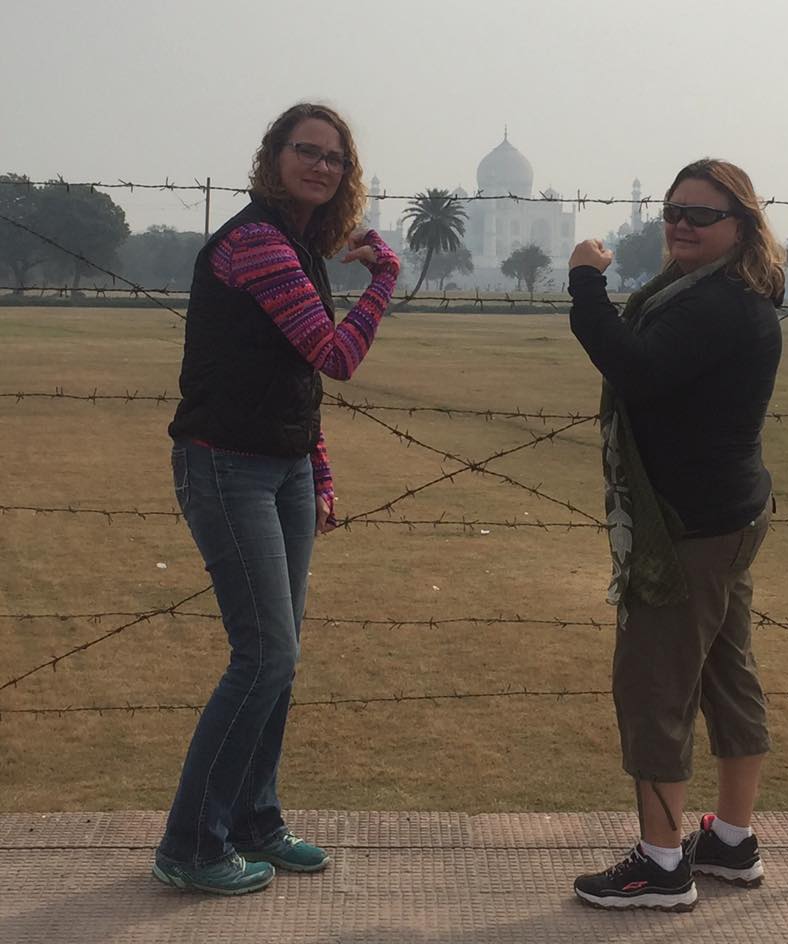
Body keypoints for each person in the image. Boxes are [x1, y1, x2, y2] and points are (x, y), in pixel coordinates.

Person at [153, 103, 399, 896]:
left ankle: (254, 820)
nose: (321, 166)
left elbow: (293, 377)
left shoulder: (298, 246)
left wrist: (318, 469)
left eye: (335, 157)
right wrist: (384, 279)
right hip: (228, 466)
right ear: (275, 156)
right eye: (307, 150)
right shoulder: (258, 242)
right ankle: (191, 845)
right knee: (264, 657)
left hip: (283, 467)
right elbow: (333, 355)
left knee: (279, 663)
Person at [566, 158, 784, 912]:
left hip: (688, 525)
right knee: (727, 672)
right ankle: (731, 840)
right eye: (673, 211)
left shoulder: (717, 304)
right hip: (728, 514)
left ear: (741, 226)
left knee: (654, 685)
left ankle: (662, 865)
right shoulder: (725, 294)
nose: (682, 225)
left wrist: (584, 283)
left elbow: (637, 369)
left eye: (702, 214)